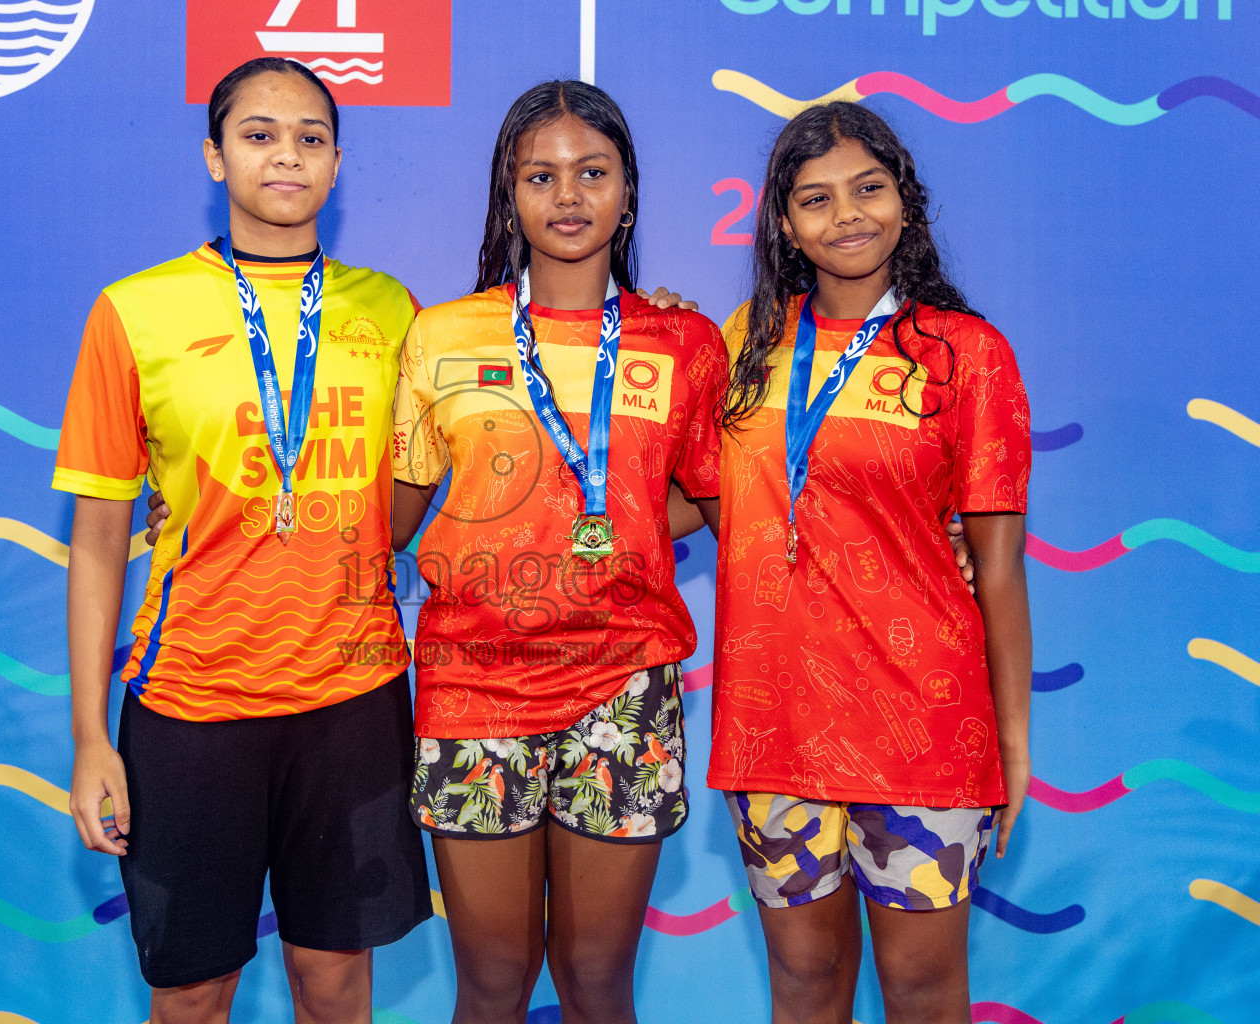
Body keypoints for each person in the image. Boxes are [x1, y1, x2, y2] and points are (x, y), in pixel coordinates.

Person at [55, 58, 432, 1024]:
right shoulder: (134, 312)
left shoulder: (393, 312)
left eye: (311, 138)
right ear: (215, 157)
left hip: (352, 700)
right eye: (259, 135)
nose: (287, 156)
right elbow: (97, 541)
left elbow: (439, 470)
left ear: (338, 165)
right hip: (190, 706)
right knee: (191, 993)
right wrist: (92, 738)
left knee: (337, 982)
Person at [389, 80, 727, 1024]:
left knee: (596, 984)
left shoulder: (685, 339)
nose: (568, 195)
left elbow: (709, 496)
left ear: (629, 191)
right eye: (541, 176)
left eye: (593, 172)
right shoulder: (443, 334)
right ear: (510, 193)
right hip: (473, 682)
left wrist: (608, 522)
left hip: (624, 685)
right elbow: (393, 516)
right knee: (492, 987)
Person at [704, 102, 1033, 1024]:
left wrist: (1010, 741)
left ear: (906, 203)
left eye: (869, 189)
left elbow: (1000, 569)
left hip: (923, 727)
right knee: (804, 988)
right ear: (783, 222)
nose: (847, 215)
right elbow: (688, 483)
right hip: (774, 726)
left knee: (924, 993)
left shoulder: (968, 357)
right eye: (816, 198)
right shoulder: (743, 345)